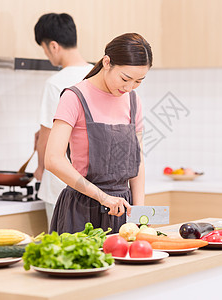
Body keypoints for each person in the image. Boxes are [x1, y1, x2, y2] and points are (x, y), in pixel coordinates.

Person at [45, 33, 152, 234]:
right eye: (125, 78)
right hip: (81, 211)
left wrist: (139, 215)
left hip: (122, 212)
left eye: (138, 81)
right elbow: (53, 159)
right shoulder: (74, 97)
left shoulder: (133, 102)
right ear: (107, 62)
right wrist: (102, 197)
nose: (129, 87)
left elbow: (138, 162)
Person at [33, 13, 93, 226]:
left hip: (61, 187)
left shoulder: (56, 83)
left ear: (54, 46)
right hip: (94, 186)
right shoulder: (98, 76)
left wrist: (40, 169)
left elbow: (47, 138)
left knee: (62, 253)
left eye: (44, 48)